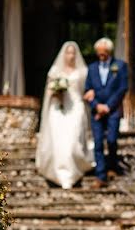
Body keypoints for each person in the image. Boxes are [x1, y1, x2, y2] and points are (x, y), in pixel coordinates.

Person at [35, 41, 94, 189]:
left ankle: (73, 172)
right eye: (68, 52)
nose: (71, 55)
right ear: (64, 54)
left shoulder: (83, 71)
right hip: (58, 108)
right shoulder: (55, 71)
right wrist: (56, 92)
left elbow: (86, 89)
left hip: (76, 107)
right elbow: (48, 91)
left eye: (73, 52)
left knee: (73, 141)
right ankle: (59, 174)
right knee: (58, 141)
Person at [83, 37, 129, 189]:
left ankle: (112, 166)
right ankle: (101, 176)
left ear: (109, 51)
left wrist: (108, 107)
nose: (101, 55)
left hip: (113, 110)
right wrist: (97, 106)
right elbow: (88, 91)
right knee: (97, 143)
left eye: (104, 52)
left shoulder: (120, 66)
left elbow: (122, 88)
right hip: (97, 112)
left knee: (111, 139)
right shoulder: (91, 68)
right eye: (99, 52)